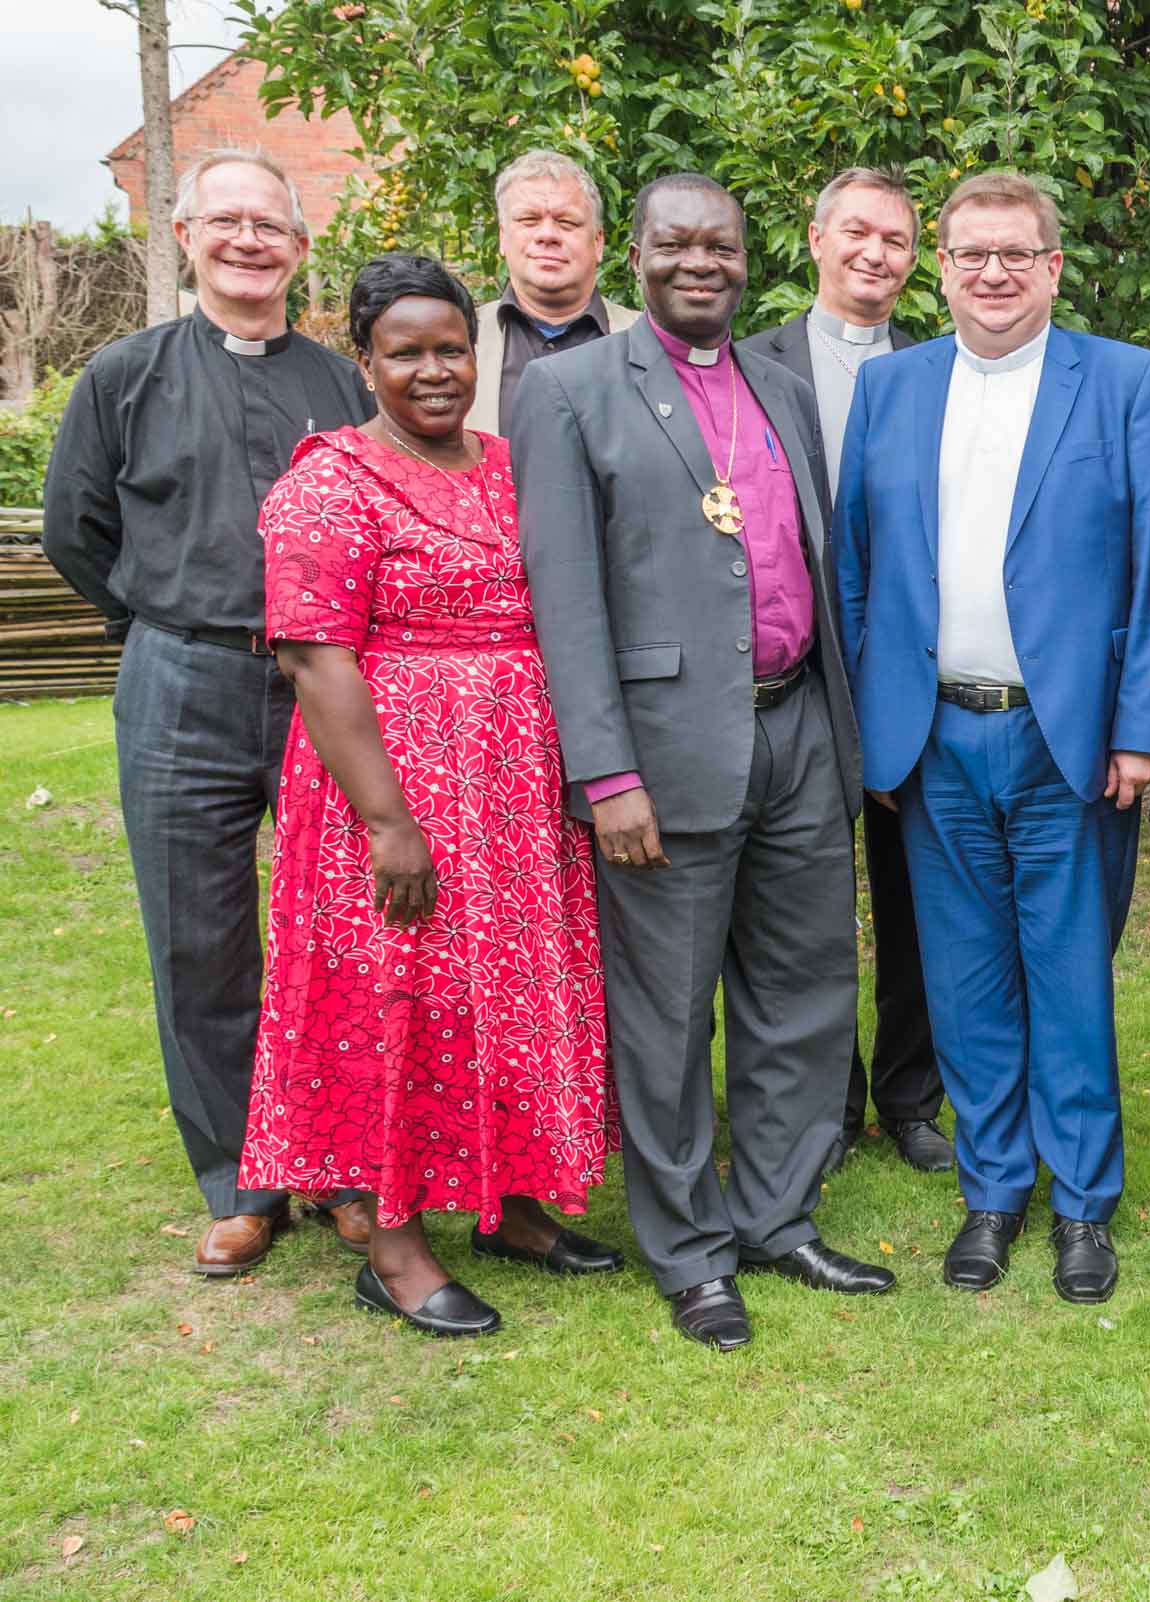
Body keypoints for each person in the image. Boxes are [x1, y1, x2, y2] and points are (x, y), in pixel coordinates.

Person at [518, 173, 893, 1353]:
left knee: (803, 998)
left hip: (797, 733)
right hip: (665, 749)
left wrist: (846, 737)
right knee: (670, 1014)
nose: (699, 262)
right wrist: (606, 775)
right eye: (675, 242)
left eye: (719, 245)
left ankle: (778, 1215)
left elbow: (814, 570)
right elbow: (564, 602)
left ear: (747, 258)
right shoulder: (568, 389)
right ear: (633, 257)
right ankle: (688, 1249)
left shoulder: (781, 390)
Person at [240, 253, 621, 1337]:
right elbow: (316, 659)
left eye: (451, 347)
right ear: (365, 362)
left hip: (511, 795)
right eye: (405, 352)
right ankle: (395, 1247)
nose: (434, 370)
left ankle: (511, 1204)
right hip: (393, 793)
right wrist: (391, 824)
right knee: (399, 1005)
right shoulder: (328, 481)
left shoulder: (509, 464)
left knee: (506, 995)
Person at [834, 171, 1150, 1307]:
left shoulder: (1126, 383)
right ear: (941, 267)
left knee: (1069, 975)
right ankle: (994, 1191)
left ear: (1053, 267)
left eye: (1015, 254)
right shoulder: (893, 391)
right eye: (972, 253)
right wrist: (874, 735)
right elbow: (857, 573)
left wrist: (1140, 733)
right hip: (934, 738)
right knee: (967, 978)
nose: (993, 272)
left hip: (1066, 740)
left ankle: (1083, 1202)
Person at [41, 148, 375, 1274]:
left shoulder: (340, 386)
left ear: (300, 248)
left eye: (267, 224)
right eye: (222, 221)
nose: (245, 240)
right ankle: (242, 1178)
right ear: (182, 237)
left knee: (340, 931)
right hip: (178, 677)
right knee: (199, 935)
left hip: (323, 683)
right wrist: (153, 622)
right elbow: (74, 529)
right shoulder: (122, 374)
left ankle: (341, 1160)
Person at [740, 166, 947, 1177]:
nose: (876, 253)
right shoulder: (742, 367)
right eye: (858, 232)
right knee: (803, 907)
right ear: (815, 239)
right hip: (792, 671)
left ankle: (911, 1094)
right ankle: (822, 1102)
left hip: (906, 666)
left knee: (913, 897)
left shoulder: (941, 368)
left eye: (897, 240)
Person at [465, 149, 639, 439]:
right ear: (502, 238)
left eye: (567, 222)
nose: (547, 235)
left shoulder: (648, 342)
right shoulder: (462, 341)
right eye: (529, 220)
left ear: (598, 242)